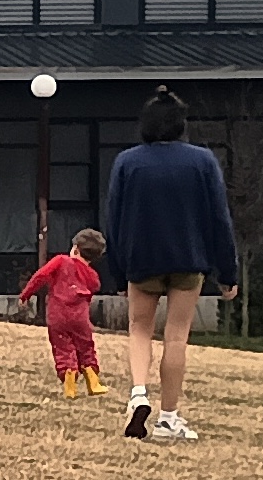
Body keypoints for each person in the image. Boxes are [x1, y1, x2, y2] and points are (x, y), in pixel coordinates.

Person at [103, 86, 242, 443]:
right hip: (189, 259)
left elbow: (114, 219)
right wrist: (227, 271)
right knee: (176, 337)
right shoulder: (202, 161)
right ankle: (168, 418)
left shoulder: (127, 162)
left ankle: (138, 394)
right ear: (181, 124)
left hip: (142, 260)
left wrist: (117, 272)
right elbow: (219, 218)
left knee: (139, 329)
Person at [18, 228, 109, 398]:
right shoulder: (92, 275)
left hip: (57, 315)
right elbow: (95, 286)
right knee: (86, 347)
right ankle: (93, 382)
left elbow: (40, 276)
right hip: (80, 318)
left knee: (62, 348)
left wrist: (26, 294)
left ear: (76, 248)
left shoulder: (61, 261)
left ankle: (70, 386)